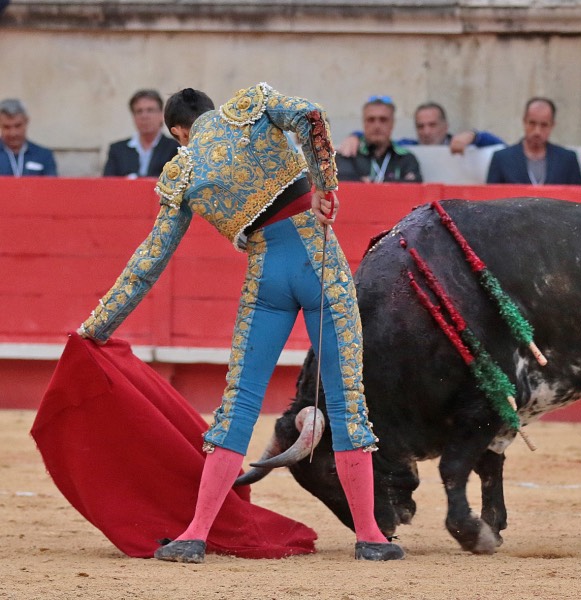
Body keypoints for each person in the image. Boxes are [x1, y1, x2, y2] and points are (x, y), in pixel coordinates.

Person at [77, 83, 405, 563]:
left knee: (239, 402)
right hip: (317, 259)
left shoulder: (182, 168)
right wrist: (326, 187)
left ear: (177, 132)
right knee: (346, 398)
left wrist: (96, 327)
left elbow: (149, 261)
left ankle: (195, 535)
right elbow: (312, 115)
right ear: (210, 111)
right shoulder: (248, 108)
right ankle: (371, 537)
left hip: (265, 276)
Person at [337, 101, 505, 156]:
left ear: (445, 126)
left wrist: (474, 136)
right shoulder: (409, 147)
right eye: (421, 126)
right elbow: (382, 139)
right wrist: (356, 136)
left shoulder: (462, 144)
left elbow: (504, 151)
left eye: (432, 125)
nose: (426, 131)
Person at [486, 97, 581, 185]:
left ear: (552, 125)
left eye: (544, 125)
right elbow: (491, 199)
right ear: (524, 122)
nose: (537, 131)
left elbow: (578, 199)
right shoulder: (501, 159)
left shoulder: (568, 160)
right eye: (532, 123)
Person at [334, 96, 422, 183]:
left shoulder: (406, 158)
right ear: (364, 123)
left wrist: (371, 182)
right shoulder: (349, 155)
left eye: (383, 120)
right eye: (371, 120)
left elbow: (415, 187)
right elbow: (343, 184)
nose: (377, 126)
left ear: (392, 123)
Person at [102, 89, 179, 178]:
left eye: (150, 110)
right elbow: (107, 184)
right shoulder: (117, 150)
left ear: (161, 115)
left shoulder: (175, 148)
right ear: (133, 117)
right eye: (139, 111)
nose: (144, 116)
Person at [0, 98, 57, 177]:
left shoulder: (44, 155)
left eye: (18, 126)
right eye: (7, 127)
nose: (13, 133)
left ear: (26, 122)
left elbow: (52, 187)